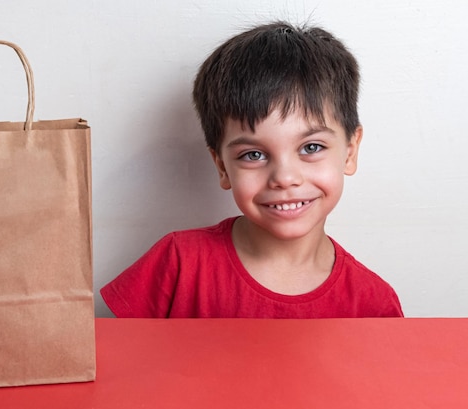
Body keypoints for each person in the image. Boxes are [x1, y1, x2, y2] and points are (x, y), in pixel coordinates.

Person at [101, 21, 403, 318]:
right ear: (222, 166)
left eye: (311, 148)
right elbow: (109, 360)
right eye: (254, 154)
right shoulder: (178, 262)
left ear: (350, 152)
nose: (285, 178)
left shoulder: (373, 304)